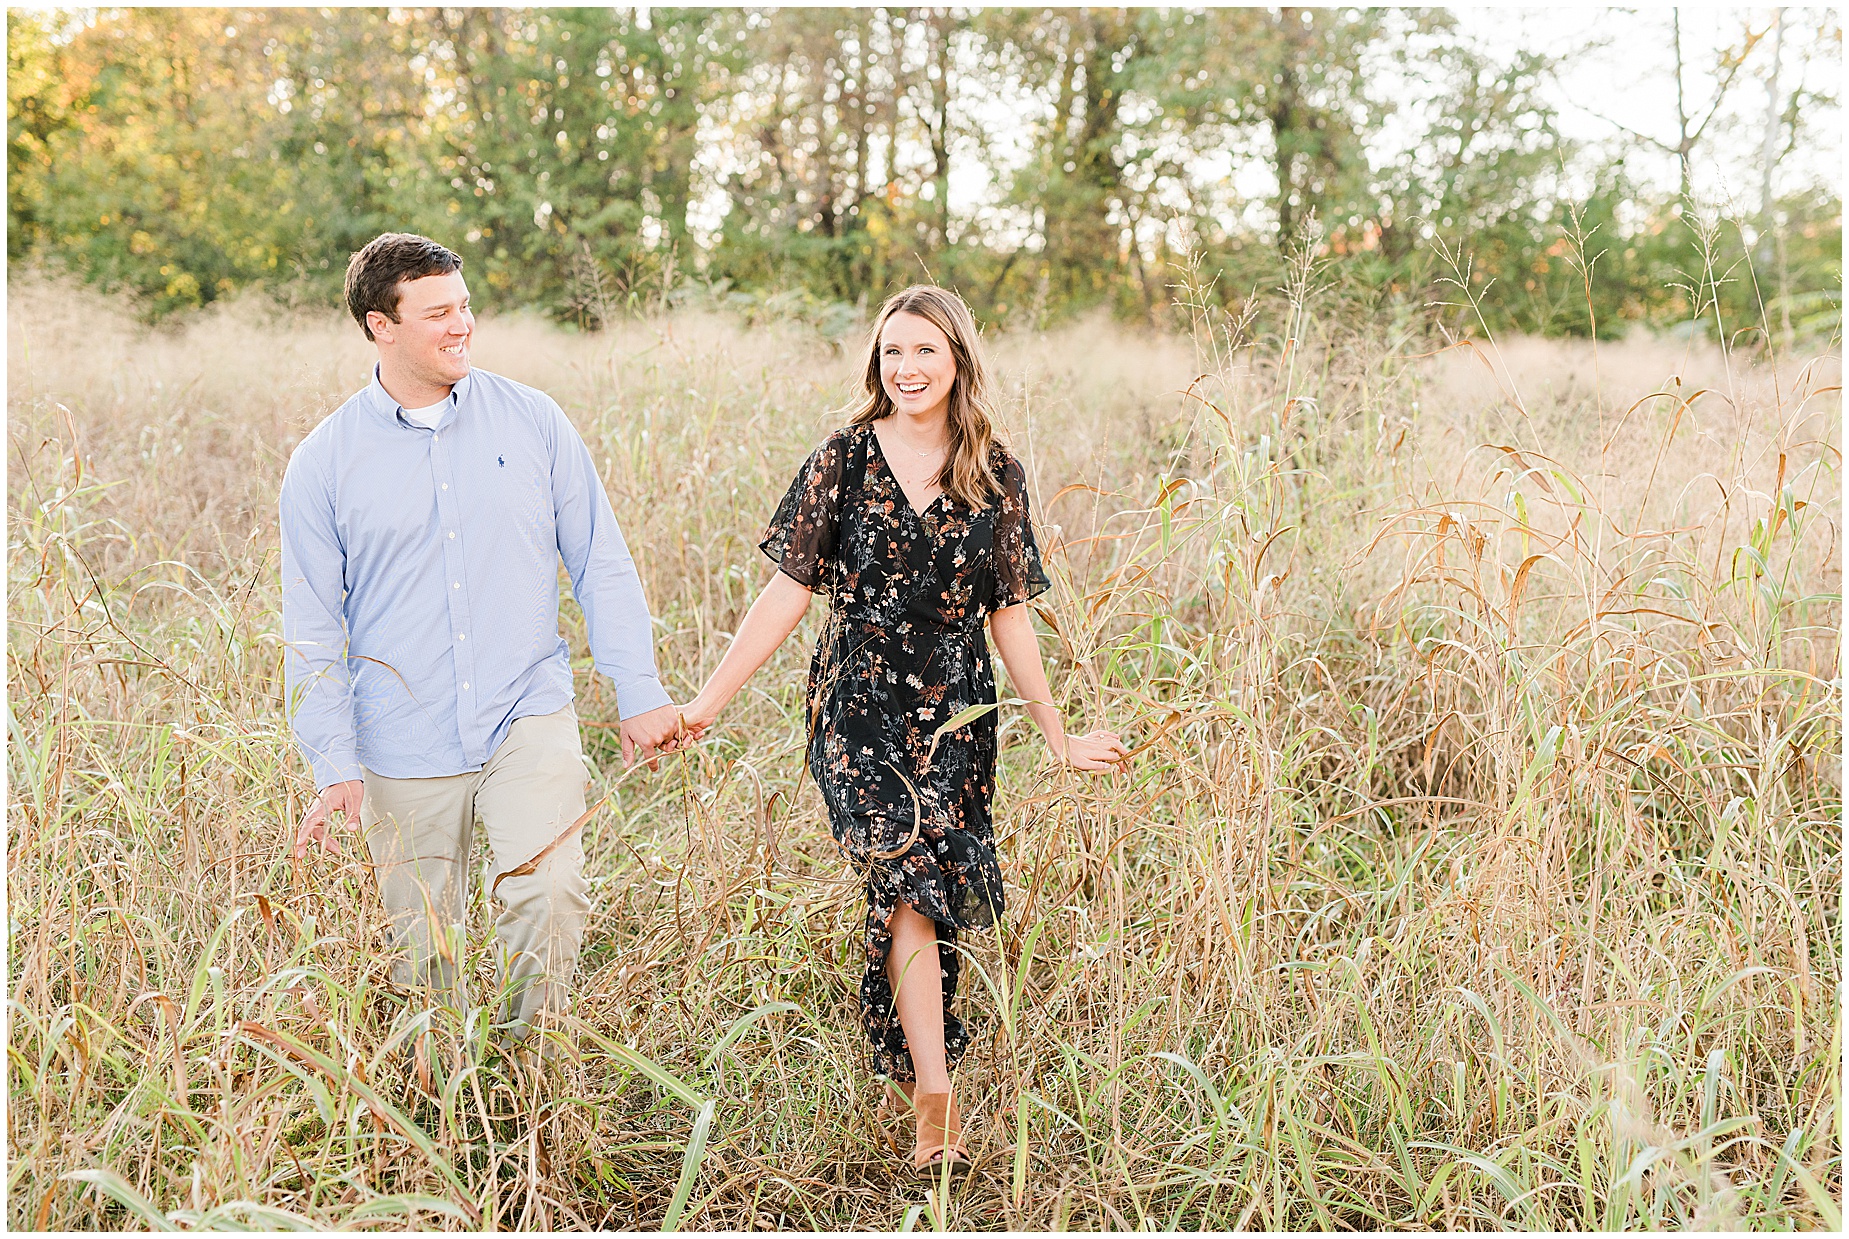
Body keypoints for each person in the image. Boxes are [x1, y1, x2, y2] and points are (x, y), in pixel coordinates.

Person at [675, 285, 1127, 1177]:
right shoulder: (841, 458)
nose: (906, 369)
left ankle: (922, 1065)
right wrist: (703, 705)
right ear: (874, 365)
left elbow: (1011, 618)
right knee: (907, 873)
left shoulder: (995, 471)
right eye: (891, 353)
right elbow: (787, 591)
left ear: (957, 357)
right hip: (858, 703)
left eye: (923, 350)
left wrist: (1058, 734)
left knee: (932, 890)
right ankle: (935, 1094)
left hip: (956, 708)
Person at [280, 232, 681, 1044]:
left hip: (523, 709)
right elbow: (313, 627)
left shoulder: (534, 421)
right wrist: (333, 761)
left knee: (550, 893)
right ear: (378, 326)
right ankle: (444, 1109)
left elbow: (600, 561)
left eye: (463, 306)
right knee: (422, 952)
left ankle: (530, 1078)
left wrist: (639, 692)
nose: (461, 324)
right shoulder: (322, 463)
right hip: (400, 734)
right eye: (437, 313)